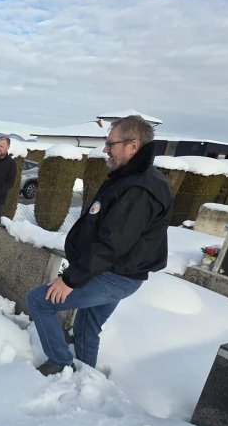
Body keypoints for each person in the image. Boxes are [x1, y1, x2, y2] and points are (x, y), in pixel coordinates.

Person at [27, 115, 173, 375]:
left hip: (114, 275)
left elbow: (111, 245)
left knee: (40, 300)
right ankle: (87, 379)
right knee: (86, 326)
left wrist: (70, 280)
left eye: (110, 143)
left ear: (133, 146)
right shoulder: (130, 178)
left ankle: (61, 365)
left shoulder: (140, 188)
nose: (105, 149)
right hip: (114, 272)